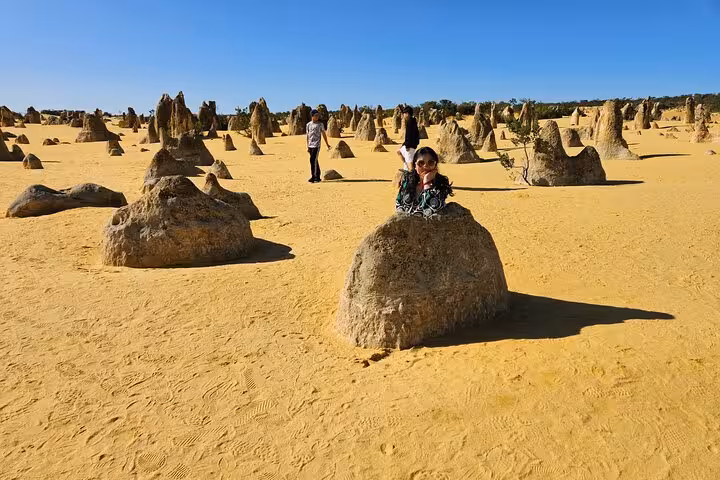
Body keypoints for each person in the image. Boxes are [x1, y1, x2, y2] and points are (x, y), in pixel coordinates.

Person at [396, 146, 453, 216]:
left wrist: (427, 182)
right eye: (421, 163)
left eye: (430, 163)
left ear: (435, 165)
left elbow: (430, 209)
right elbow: (399, 204)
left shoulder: (441, 185)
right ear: (415, 165)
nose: (425, 166)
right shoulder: (408, 180)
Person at [306, 109, 331, 183]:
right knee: (314, 160)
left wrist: (327, 144)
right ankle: (317, 176)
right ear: (312, 116)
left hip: (317, 145)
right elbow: (307, 136)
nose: (317, 117)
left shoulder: (320, 124)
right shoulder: (308, 125)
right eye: (316, 115)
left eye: (318, 115)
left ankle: (314, 177)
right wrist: (307, 146)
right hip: (310, 145)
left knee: (312, 160)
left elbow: (323, 134)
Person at [396, 106, 419, 171]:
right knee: (398, 151)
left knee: (410, 165)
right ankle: (406, 166)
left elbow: (411, 135)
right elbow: (409, 136)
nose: (403, 115)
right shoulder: (411, 121)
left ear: (407, 114)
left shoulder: (411, 122)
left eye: (404, 113)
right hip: (409, 145)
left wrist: (408, 145)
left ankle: (411, 176)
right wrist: (403, 144)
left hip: (410, 146)